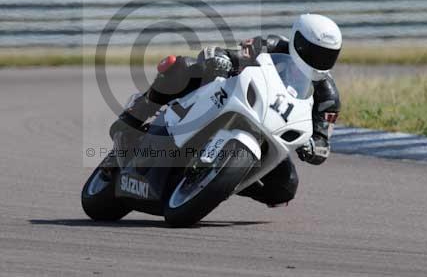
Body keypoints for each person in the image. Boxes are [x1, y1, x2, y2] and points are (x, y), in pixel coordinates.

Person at [109, 14, 342, 207]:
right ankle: (136, 112)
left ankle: (222, 181)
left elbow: (323, 142)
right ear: (299, 42)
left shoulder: (328, 97)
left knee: (285, 187)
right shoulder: (272, 45)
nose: (319, 59)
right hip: (232, 99)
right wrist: (222, 58)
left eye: (327, 55)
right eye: (315, 51)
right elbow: (236, 53)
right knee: (183, 67)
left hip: (269, 134)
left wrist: (314, 147)